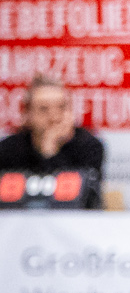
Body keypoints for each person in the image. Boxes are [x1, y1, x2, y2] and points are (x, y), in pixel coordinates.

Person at [0, 74, 105, 209]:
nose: (54, 117)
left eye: (62, 107)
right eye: (44, 109)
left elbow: (84, 199)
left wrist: (50, 152)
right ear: (27, 114)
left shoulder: (89, 146)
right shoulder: (9, 149)